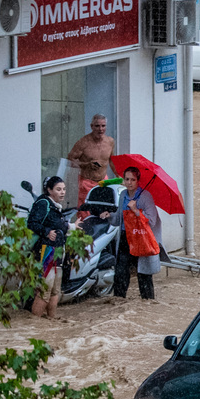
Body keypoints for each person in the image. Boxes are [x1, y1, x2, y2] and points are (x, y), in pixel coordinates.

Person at [100, 166, 160, 300]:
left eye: (133, 179)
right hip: (125, 238)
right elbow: (119, 219)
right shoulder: (122, 195)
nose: (129, 182)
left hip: (141, 239)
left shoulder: (145, 197)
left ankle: (148, 301)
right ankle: (118, 300)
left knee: (143, 274)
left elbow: (152, 221)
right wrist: (109, 215)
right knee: (121, 272)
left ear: (138, 181)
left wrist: (136, 210)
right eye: (127, 179)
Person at [27, 176, 74, 319]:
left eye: (64, 189)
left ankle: (52, 321)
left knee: (55, 290)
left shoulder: (55, 206)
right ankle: (34, 325)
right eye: (58, 189)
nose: (62, 192)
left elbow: (58, 225)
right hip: (46, 252)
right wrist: (46, 232)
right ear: (49, 190)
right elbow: (32, 223)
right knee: (44, 291)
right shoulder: (43, 203)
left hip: (58, 251)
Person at [67, 114, 115, 209]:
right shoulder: (83, 142)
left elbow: (112, 161)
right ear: (91, 126)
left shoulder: (110, 141)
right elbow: (69, 161)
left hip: (103, 182)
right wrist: (86, 164)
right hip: (86, 182)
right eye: (97, 126)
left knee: (104, 211)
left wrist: (119, 177)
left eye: (103, 126)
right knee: (85, 213)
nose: (100, 129)